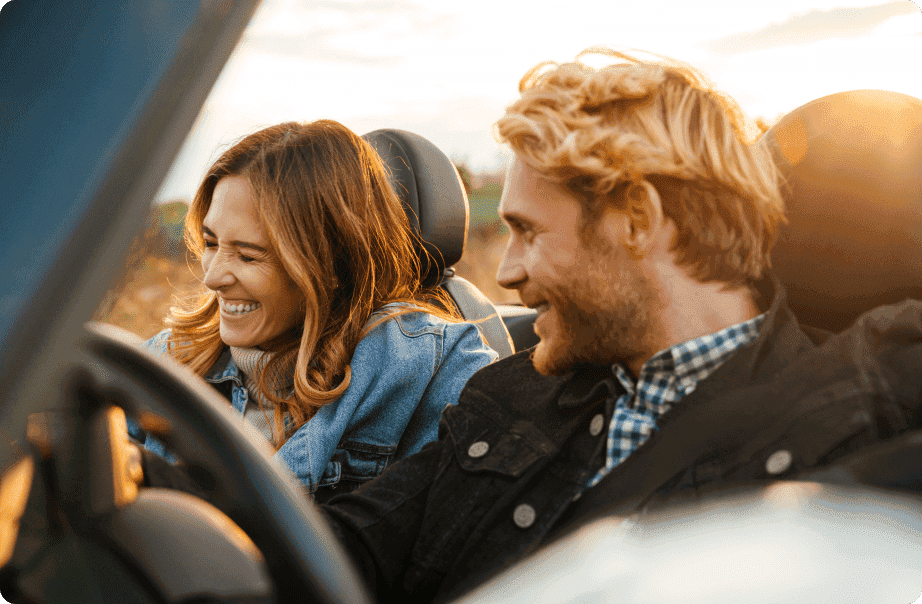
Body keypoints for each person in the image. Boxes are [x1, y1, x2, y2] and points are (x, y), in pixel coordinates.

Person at [321, 49, 922, 602]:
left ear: (636, 220)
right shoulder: (506, 395)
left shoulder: (851, 411)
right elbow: (346, 547)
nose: (506, 272)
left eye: (528, 231)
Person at [131, 119, 497, 501]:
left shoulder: (428, 366)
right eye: (210, 242)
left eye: (248, 255)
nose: (213, 277)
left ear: (333, 263)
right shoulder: (167, 360)